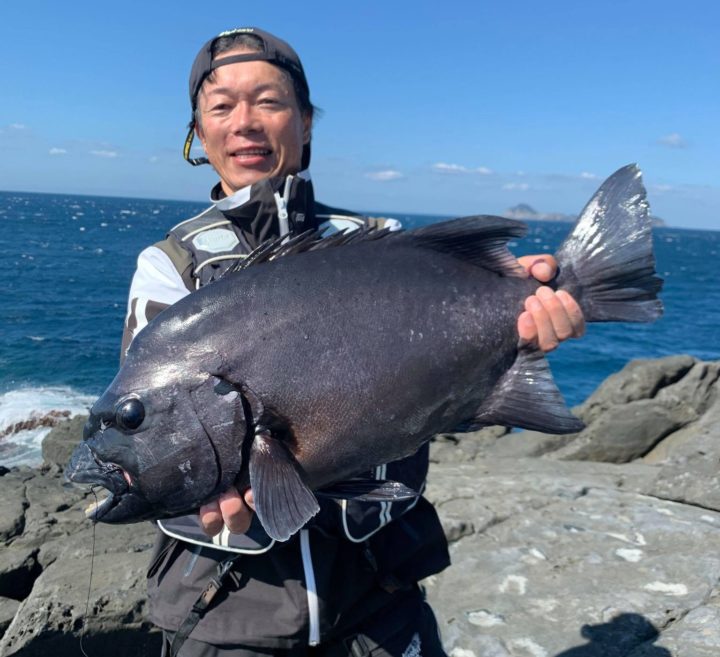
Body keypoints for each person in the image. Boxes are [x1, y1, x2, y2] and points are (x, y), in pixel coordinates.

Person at [121, 27, 585, 657]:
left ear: (306, 123)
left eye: (270, 101)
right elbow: (152, 435)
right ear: (198, 133)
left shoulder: (379, 239)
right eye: (222, 106)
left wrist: (522, 325)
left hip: (379, 596)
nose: (246, 123)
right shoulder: (168, 267)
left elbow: (428, 389)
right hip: (229, 610)